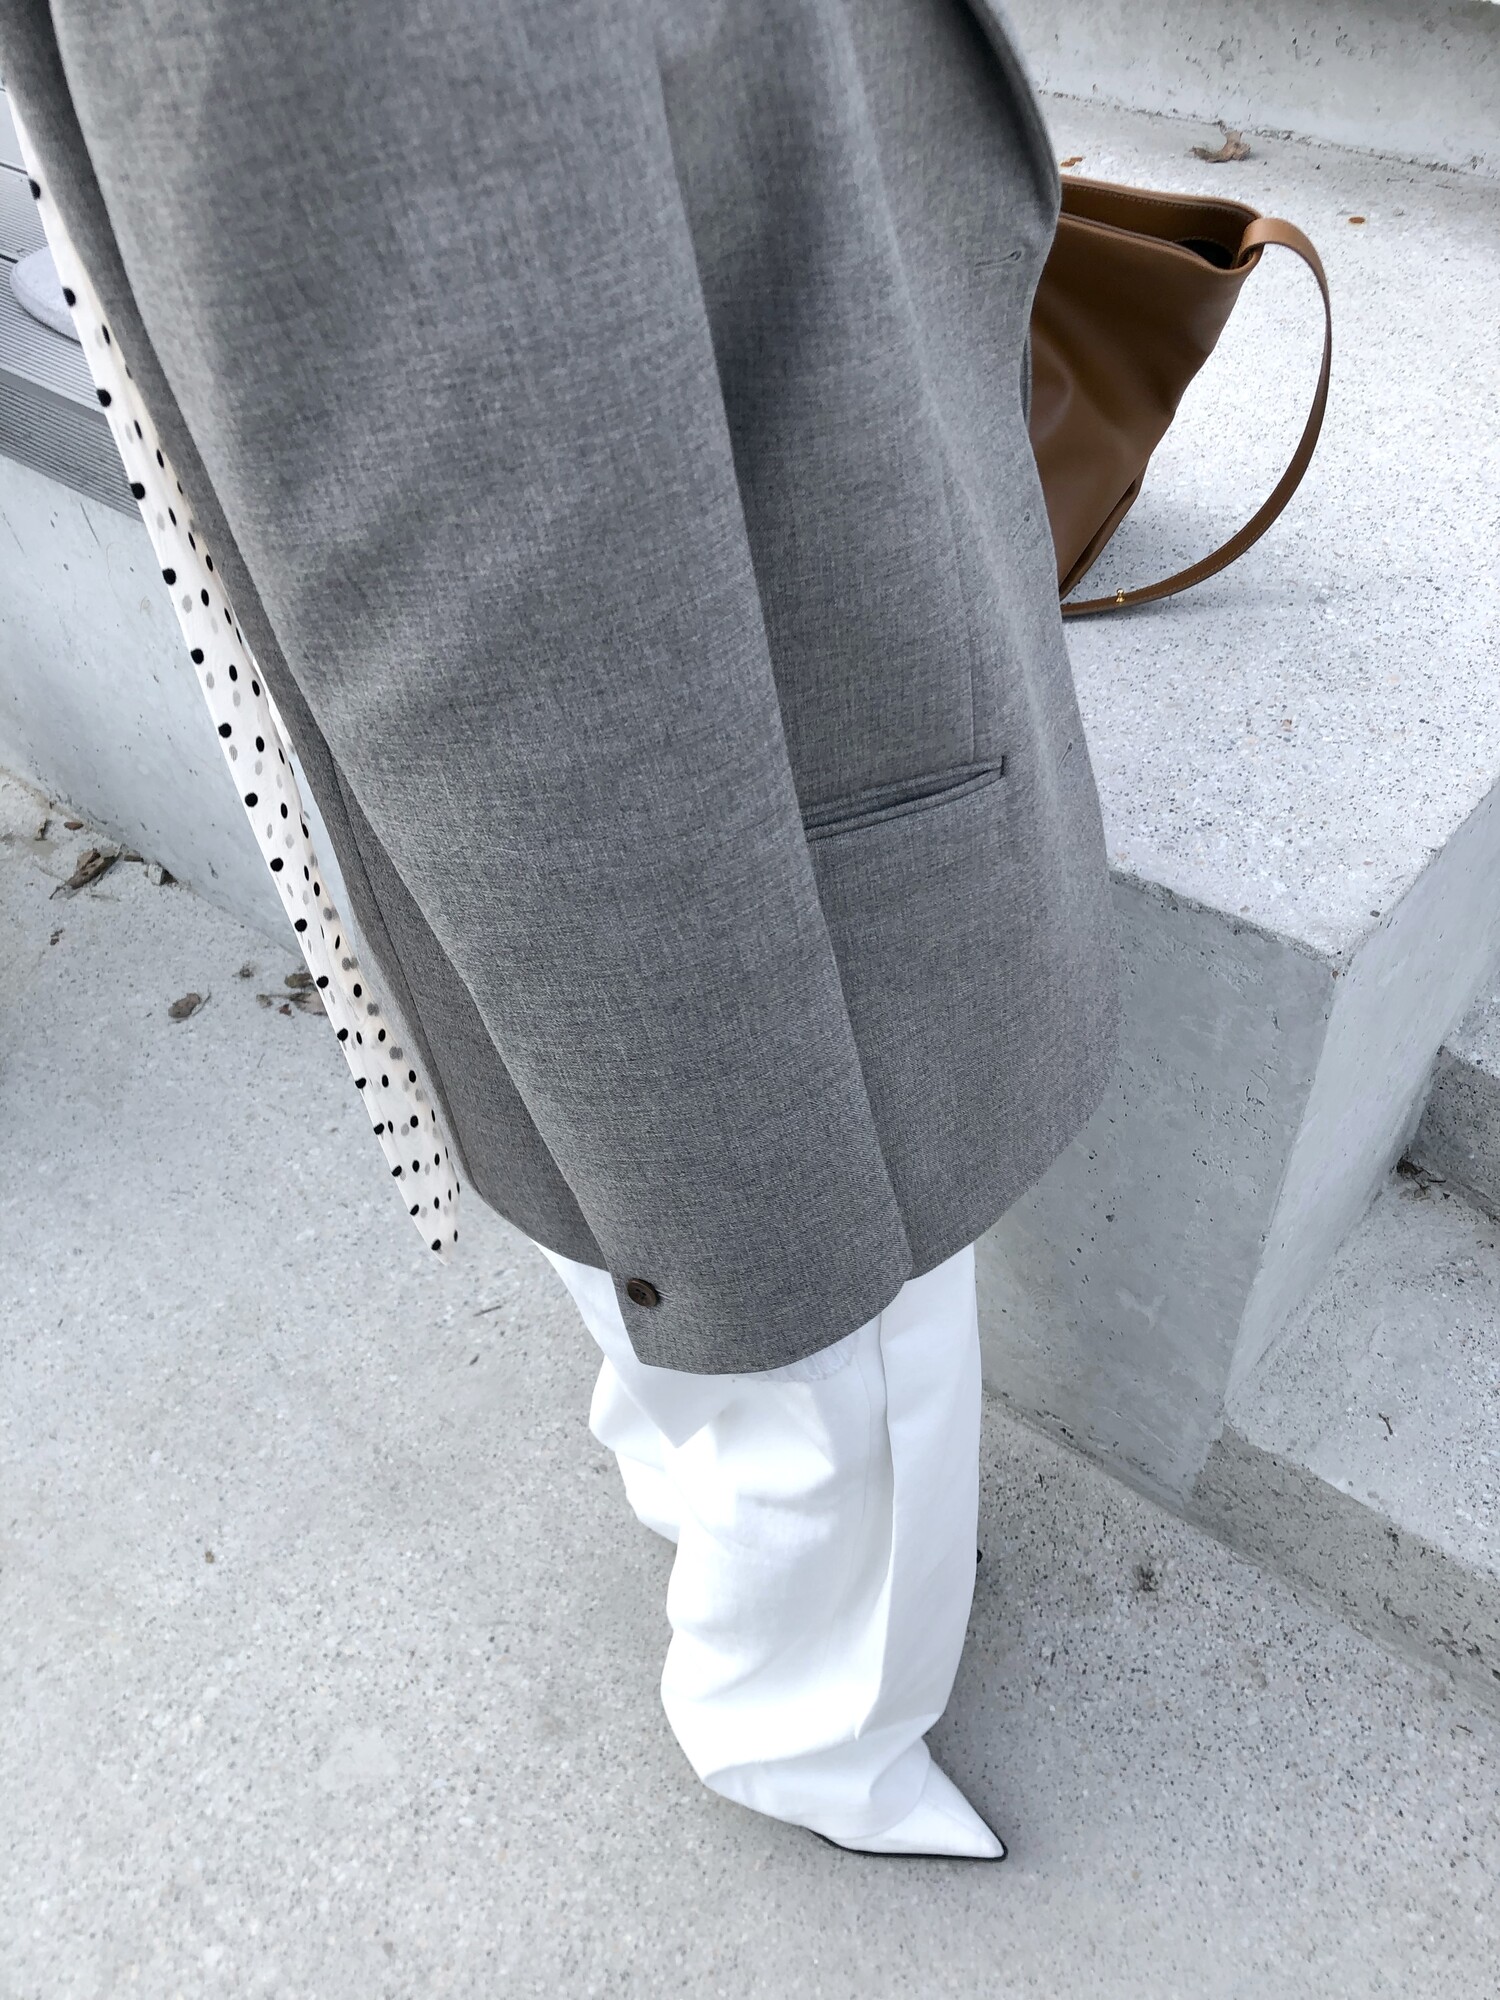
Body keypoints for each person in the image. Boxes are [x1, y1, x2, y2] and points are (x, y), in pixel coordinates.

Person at [0, 0, 1119, 1858]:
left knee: (663, 1181)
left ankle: (712, 1468)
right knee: (798, 1263)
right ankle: (804, 1730)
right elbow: (483, 474)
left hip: (710, 454)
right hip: (681, 619)